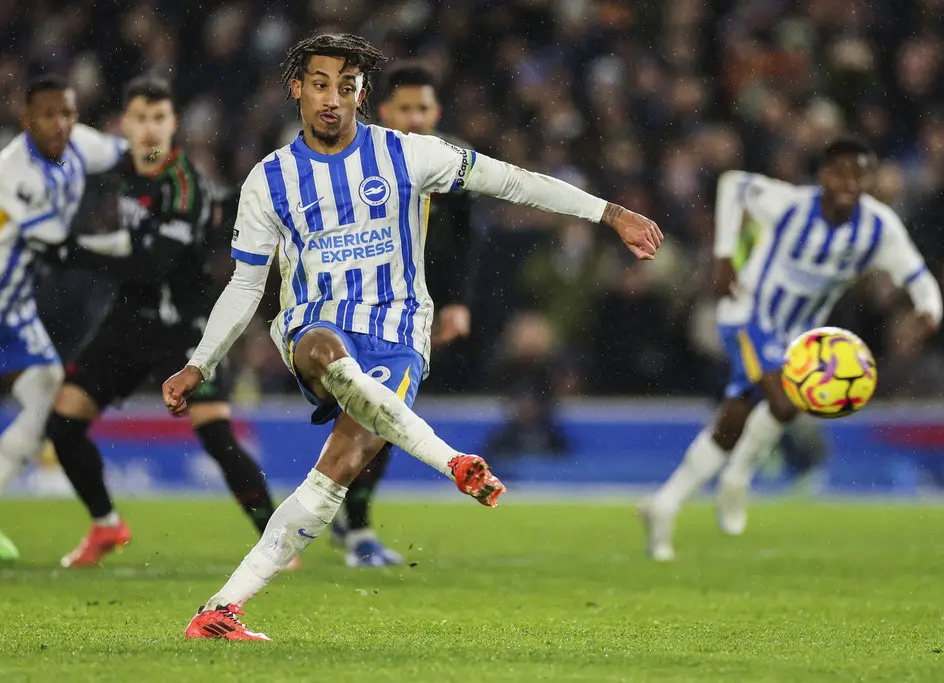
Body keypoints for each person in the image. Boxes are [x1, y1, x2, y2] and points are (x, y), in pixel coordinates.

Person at [162, 33, 662, 640]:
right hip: (314, 324)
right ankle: (452, 462)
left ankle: (221, 609)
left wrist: (610, 213)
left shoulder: (408, 155)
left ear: (361, 93)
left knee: (333, 477)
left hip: (399, 334)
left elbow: (512, 181)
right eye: (320, 85)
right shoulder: (270, 181)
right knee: (327, 352)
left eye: (345, 88)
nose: (332, 100)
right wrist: (201, 363)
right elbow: (245, 285)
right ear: (297, 89)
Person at [638, 137, 942, 561]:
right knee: (786, 400)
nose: (849, 181)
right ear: (823, 175)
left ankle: (665, 504)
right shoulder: (791, 205)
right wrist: (724, 256)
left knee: (735, 417)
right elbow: (732, 184)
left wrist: (929, 311)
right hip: (748, 314)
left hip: (800, 335)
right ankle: (737, 479)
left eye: (859, 173)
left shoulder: (879, 227)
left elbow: (919, 277)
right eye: (840, 171)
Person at [46, 75, 282, 569]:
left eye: (159, 119)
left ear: (173, 124)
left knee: (216, 437)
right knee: (64, 423)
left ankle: (275, 542)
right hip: (129, 320)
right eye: (140, 119)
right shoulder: (122, 168)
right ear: (125, 125)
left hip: (183, 328)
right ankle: (107, 525)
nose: (150, 129)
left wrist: (75, 251)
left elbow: (151, 265)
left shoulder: (184, 184)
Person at [328, 61, 480, 567]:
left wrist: (456, 302)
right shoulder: (355, 158)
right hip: (350, 308)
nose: (415, 117)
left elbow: (464, 243)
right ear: (385, 110)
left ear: (435, 112)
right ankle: (350, 523)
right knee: (374, 420)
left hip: (408, 316)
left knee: (379, 419)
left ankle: (351, 524)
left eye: (424, 108)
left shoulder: (449, 165)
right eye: (405, 108)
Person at [0, 75, 127, 561]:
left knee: (47, 389)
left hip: (14, 306)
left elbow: (130, 155)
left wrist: (163, 163)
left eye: (67, 113)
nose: (60, 124)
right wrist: (122, 248)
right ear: (26, 119)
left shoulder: (80, 144)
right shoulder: (16, 174)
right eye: (48, 115)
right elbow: (60, 247)